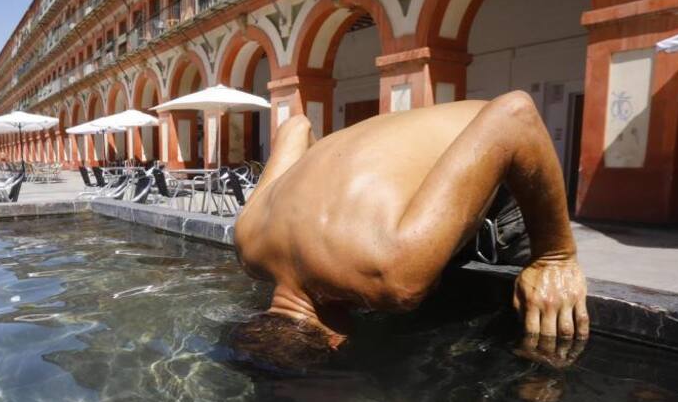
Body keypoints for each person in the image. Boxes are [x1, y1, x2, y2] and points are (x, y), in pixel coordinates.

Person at [232, 91, 588, 365]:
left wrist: (553, 256)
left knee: (536, 344)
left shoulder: (393, 276)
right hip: (433, 140)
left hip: (503, 155)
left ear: (336, 341)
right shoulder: (247, 242)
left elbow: (516, 114)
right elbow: (296, 127)